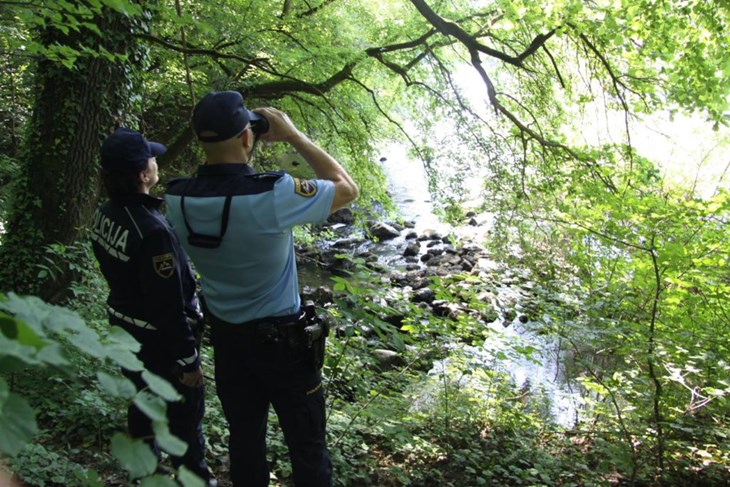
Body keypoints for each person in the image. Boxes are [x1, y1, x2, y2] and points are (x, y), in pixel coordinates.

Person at [164, 90, 359, 486]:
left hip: (229, 343)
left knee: (245, 441)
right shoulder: (273, 194)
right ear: (247, 138)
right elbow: (346, 188)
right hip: (284, 348)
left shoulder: (177, 198)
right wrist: (294, 136)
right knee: (307, 447)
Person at [90, 127, 216, 486]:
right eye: (152, 158)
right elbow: (167, 307)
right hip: (158, 344)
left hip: (125, 333)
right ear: (144, 175)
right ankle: (195, 480)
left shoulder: (105, 213)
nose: (157, 160)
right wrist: (188, 361)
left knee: (141, 406)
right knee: (184, 422)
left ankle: (145, 475)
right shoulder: (151, 232)